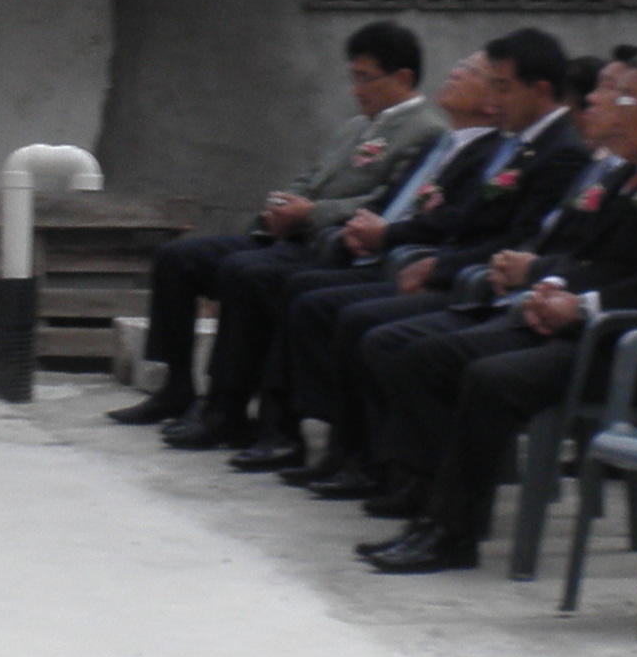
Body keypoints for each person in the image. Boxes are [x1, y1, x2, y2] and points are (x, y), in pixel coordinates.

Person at [358, 59, 637, 575]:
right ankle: (427, 511)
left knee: (488, 377)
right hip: (582, 329)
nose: (615, 110)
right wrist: (552, 288)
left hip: (636, 349)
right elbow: (592, 256)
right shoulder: (634, 170)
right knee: (428, 356)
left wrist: (583, 307)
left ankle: (455, 532)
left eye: (628, 98)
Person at [281, 37, 590, 505]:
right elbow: (473, 222)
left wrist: (441, 266)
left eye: (503, 88)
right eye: (492, 85)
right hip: (469, 271)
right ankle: (360, 456)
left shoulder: (560, 151)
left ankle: (401, 474)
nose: (495, 100)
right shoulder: (524, 145)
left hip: (490, 287)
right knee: (334, 307)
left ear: (540, 89)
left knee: (373, 327)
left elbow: (520, 239)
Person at [110, 22, 438, 435]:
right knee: (178, 258)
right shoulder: (355, 127)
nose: (356, 89)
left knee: (245, 272)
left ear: (402, 78)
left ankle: (226, 401)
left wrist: (311, 213)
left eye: (365, 78)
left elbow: (386, 202)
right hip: (292, 232)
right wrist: (283, 206)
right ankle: (175, 385)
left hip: (331, 244)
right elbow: (312, 177)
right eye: (353, 77)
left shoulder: (425, 131)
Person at [211, 49, 504, 470]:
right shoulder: (441, 144)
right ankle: (245, 414)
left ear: (494, 99)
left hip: (411, 261)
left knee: (306, 295)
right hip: (369, 244)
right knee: (260, 275)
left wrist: (383, 233)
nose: (454, 74)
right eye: (457, 67)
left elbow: (453, 221)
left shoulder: (485, 151)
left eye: (469, 72)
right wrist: (361, 224)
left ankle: (321, 438)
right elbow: (388, 198)